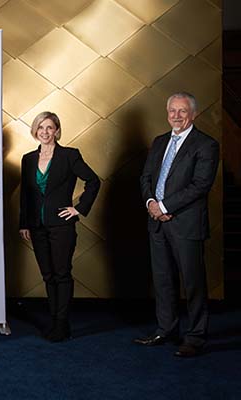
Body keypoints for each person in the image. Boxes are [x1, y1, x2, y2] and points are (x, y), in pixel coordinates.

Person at [135, 92, 219, 357]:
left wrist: (165, 206)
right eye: (172, 110)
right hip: (157, 223)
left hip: (185, 224)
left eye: (182, 111)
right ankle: (166, 329)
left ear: (193, 114)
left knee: (193, 282)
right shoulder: (160, 141)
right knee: (163, 280)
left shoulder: (206, 145)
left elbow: (200, 185)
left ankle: (195, 337)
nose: (177, 116)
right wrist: (151, 202)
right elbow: (146, 176)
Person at [18, 112, 100, 342]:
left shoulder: (69, 155)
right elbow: (26, 193)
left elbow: (93, 181)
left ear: (57, 130)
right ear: (35, 130)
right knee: (48, 275)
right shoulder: (28, 159)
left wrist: (79, 208)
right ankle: (54, 320)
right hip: (36, 226)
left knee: (61, 273)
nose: (45, 132)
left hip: (61, 225)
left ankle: (62, 324)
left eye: (50, 127)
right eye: (41, 127)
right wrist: (24, 223)